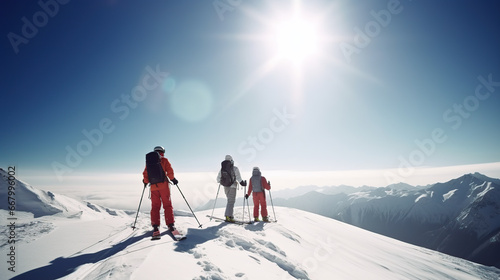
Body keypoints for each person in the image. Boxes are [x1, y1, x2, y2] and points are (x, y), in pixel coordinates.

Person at [142, 146, 179, 237]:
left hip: (154, 187)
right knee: (167, 205)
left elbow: (145, 174)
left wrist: (145, 182)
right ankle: (170, 224)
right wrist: (173, 179)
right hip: (164, 187)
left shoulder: (149, 162)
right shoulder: (164, 160)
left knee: (155, 206)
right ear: (163, 152)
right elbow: (169, 171)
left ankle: (155, 226)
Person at [217, 155, 246, 222]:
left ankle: (230, 215)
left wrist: (222, 182)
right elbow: (239, 178)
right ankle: (228, 216)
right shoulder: (235, 168)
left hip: (225, 186)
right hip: (233, 186)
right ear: (231, 160)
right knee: (231, 201)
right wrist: (243, 183)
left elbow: (218, 179)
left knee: (229, 200)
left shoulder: (222, 169)